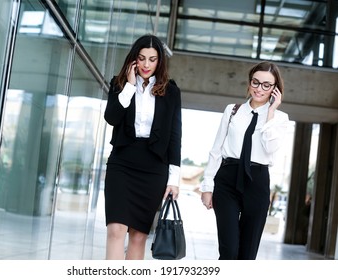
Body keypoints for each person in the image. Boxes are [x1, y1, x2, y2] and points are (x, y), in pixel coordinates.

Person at [200, 61, 289, 260]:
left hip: (257, 181)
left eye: (267, 85)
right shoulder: (232, 110)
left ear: (275, 89)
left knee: (247, 255)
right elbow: (216, 150)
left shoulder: (280, 118)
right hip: (227, 179)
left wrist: (271, 113)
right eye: (256, 82)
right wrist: (207, 186)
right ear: (249, 83)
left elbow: (271, 148)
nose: (260, 88)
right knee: (229, 250)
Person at [104, 34, 182, 260]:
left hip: (154, 168)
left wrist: (173, 179)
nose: (146, 64)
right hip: (122, 163)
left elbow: (175, 136)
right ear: (133, 59)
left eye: (152, 59)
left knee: (138, 236)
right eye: (141, 58)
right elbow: (112, 117)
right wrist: (128, 87)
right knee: (116, 230)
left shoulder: (171, 92)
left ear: (160, 62)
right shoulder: (118, 83)